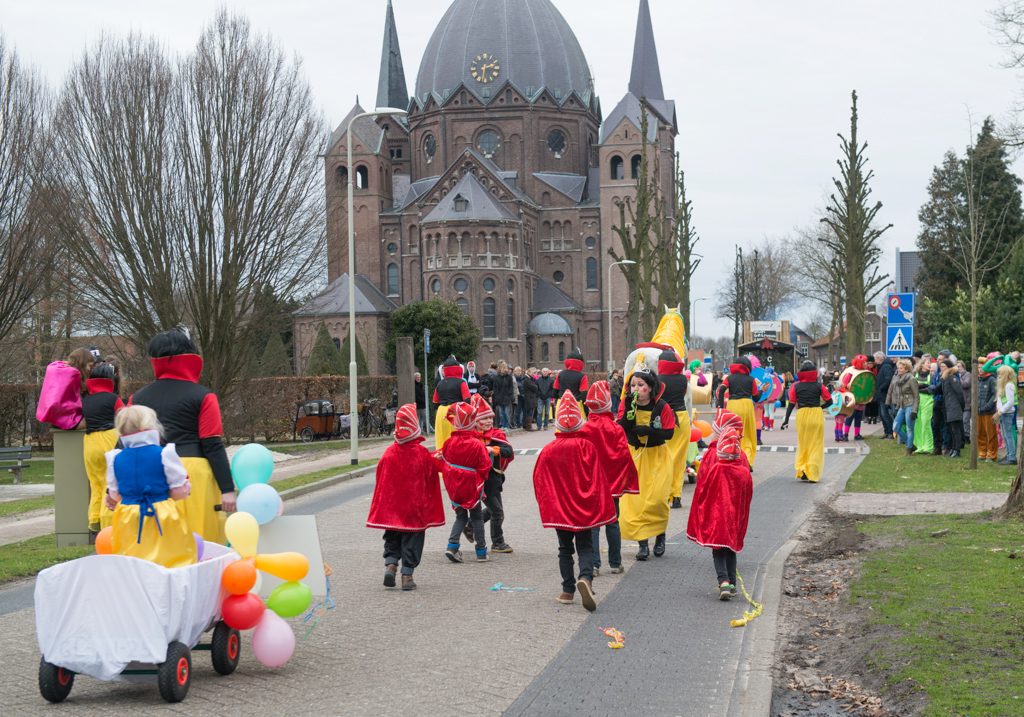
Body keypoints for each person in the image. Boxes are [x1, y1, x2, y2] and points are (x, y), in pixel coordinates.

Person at [129, 329, 234, 543]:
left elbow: (124, 446)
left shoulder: (136, 398)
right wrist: (227, 489)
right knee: (199, 542)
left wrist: (114, 488)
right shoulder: (204, 396)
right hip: (193, 475)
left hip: (152, 473)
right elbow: (212, 445)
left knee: (158, 543)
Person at [532, 391, 615, 611]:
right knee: (586, 546)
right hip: (584, 507)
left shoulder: (548, 450)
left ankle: (568, 590)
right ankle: (586, 579)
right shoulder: (587, 447)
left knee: (564, 549)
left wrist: (547, 504)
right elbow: (598, 477)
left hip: (560, 509)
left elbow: (540, 481)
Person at [103, 405, 196, 568]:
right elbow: (180, 491)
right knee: (172, 557)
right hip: (161, 513)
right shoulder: (164, 453)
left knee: (131, 558)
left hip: (128, 515)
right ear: (151, 426)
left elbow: (116, 494)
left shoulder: (115, 457)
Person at [367, 405, 444, 591]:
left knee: (392, 535)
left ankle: (391, 564)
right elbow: (431, 473)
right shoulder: (421, 453)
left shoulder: (389, 453)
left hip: (392, 507)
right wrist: (437, 458)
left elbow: (380, 477)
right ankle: (407, 576)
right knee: (413, 539)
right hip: (413, 508)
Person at [686, 417, 752, 600]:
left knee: (718, 550)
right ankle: (732, 584)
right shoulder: (744, 470)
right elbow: (748, 495)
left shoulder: (715, 468)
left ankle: (722, 581)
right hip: (735, 517)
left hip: (718, 516)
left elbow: (704, 487)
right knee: (731, 549)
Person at [617, 359, 676, 560]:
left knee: (658, 500)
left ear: (650, 387)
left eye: (640, 385)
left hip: (657, 457)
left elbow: (669, 433)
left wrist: (649, 430)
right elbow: (621, 428)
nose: (636, 388)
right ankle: (642, 544)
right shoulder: (627, 403)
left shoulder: (662, 406)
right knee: (637, 501)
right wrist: (629, 410)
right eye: (633, 385)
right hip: (636, 457)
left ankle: (660, 535)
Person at [581, 381, 638, 576]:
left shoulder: (585, 429)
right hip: (612, 483)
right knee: (613, 522)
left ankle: (595, 565)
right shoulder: (616, 429)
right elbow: (623, 456)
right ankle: (615, 563)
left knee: (594, 525)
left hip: (592, 483)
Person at [440, 402, 493, 563]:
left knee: (460, 516)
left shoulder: (449, 442)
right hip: (470, 484)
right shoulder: (477, 444)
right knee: (476, 516)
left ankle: (452, 546)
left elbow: (445, 460)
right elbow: (485, 466)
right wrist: (481, 477)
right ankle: (481, 552)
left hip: (454, 483)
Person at [468, 394, 515, 553]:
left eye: (490, 418)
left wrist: (494, 450)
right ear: (475, 422)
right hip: (480, 482)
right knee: (498, 512)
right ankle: (498, 542)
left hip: (494, 480)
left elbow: (508, 451)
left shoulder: (496, 435)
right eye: (484, 418)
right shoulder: (471, 438)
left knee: (494, 510)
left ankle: (469, 525)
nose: (488, 421)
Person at [82, 363, 124, 535]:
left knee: (96, 485)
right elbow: (125, 417)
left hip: (90, 442)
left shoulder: (85, 400)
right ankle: (110, 525)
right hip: (109, 439)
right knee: (111, 483)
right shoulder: (112, 398)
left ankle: (95, 524)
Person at [781, 360, 832, 482]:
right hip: (816, 414)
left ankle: (803, 470)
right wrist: (820, 407)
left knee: (803, 443)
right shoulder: (820, 386)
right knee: (815, 444)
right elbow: (830, 402)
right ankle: (812, 473)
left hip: (802, 415)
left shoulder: (796, 387)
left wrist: (786, 420)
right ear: (814, 373)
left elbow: (791, 405)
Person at [657, 348, 691, 509]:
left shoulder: (657, 380)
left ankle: (662, 495)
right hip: (681, 418)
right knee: (679, 460)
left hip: (663, 419)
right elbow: (685, 395)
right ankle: (676, 496)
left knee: (663, 458)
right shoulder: (683, 379)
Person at [715, 356, 758, 469]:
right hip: (747, 405)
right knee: (747, 434)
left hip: (733, 405)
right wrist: (762, 390)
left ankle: (734, 458)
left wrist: (720, 406)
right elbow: (756, 398)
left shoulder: (730, 378)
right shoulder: (751, 379)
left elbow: (722, 389)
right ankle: (747, 459)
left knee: (733, 433)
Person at [432, 355, 471, 451]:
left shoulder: (440, 383)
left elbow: (434, 404)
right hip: (455, 412)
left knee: (442, 440)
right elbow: (467, 400)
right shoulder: (461, 382)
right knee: (456, 442)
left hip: (441, 413)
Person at [928, 360, 965, 458]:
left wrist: (962, 406)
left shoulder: (952, 377)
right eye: (941, 366)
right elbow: (937, 390)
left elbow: (959, 393)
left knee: (954, 429)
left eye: (943, 366)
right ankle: (951, 449)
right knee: (949, 428)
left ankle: (955, 450)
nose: (941, 368)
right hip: (946, 405)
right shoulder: (943, 378)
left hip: (953, 406)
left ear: (948, 368)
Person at [886, 359, 920, 457]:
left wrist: (914, 410)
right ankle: (910, 444)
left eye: (901, 368)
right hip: (902, 406)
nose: (898, 370)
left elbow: (916, 396)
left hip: (910, 406)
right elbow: (900, 396)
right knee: (895, 427)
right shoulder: (898, 380)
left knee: (909, 428)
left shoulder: (911, 380)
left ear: (906, 370)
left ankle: (908, 450)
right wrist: (896, 409)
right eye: (898, 368)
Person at [840, 355, 870, 441]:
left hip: (860, 398)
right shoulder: (851, 372)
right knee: (850, 416)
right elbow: (844, 383)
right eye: (863, 362)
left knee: (858, 416)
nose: (865, 364)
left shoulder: (865, 372)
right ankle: (846, 434)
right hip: (851, 398)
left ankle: (857, 434)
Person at [976, 359, 999, 462]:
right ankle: (982, 453)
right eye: (979, 368)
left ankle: (991, 454)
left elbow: (995, 395)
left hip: (988, 411)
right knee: (980, 433)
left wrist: (987, 406)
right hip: (978, 411)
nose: (980, 370)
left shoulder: (991, 379)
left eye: (982, 367)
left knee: (991, 434)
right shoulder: (977, 379)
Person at [913, 357, 936, 455]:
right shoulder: (914, 374)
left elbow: (931, 389)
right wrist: (924, 386)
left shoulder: (931, 376)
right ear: (921, 364)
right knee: (918, 424)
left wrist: (919, 387)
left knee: (926, 423)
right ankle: (919, 446)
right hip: (917, 401)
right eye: (927, 363)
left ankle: (928, 447)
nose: (929, 364)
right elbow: (911, 387)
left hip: (928, 400)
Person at [996, 365, 1018, 465]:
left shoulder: (1009, 385)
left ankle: (1011, 457)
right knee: (1005, 436)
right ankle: (1009, 455)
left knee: (1008, 435)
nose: (999, 376)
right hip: (1003, 413)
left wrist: (1000, 412)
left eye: (1001, 373)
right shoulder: (1005, 385)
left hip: (1006, 413)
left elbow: (1010, 402)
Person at [874, 352, 896, 439]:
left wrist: (880, 388)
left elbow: (888, 379)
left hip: (885, 394)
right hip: (881, 394)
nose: (875, 361)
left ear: (880, 359)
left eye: (875, 359)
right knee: (882, 414)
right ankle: (886, 432)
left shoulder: (886, 366)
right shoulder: (883, 366)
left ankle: (890, 432)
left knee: (885, 414)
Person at [491, 362, 514, 429]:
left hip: (506, 396)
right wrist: (496, 394)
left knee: (506, 412)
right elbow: (494, 387)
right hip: (499, 396)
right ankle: (502, 424)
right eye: (503, 368)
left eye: (505, 368)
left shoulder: (509, 377)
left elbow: (511, 387)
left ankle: (507, 425)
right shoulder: (496, 377)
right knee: (501, 412)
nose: (504, 370)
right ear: (500, 369)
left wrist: (509, 393)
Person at [958, 360, 972, 447]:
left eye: (959, 366)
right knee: (961, 420)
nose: (957, 368)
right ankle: (962, 436)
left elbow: (966, 384)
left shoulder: (968, 375)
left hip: (967, 401)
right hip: (960, 402)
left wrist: (957, 380)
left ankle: (967, 436)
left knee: (965, 420)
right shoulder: (957, 375)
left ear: (963, 366)